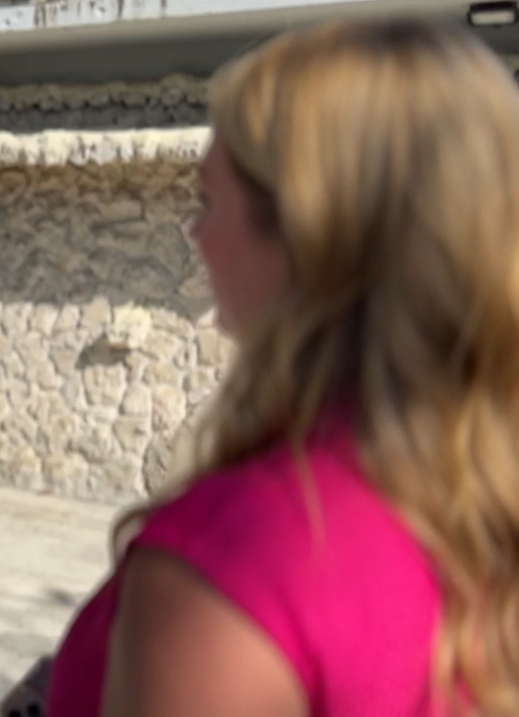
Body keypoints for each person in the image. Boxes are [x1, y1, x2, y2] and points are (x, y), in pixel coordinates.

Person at [37, 15, 519, 717]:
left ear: (308, 232)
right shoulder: (477, 506)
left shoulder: (238, 561)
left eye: (206, 199)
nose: (193, 233)